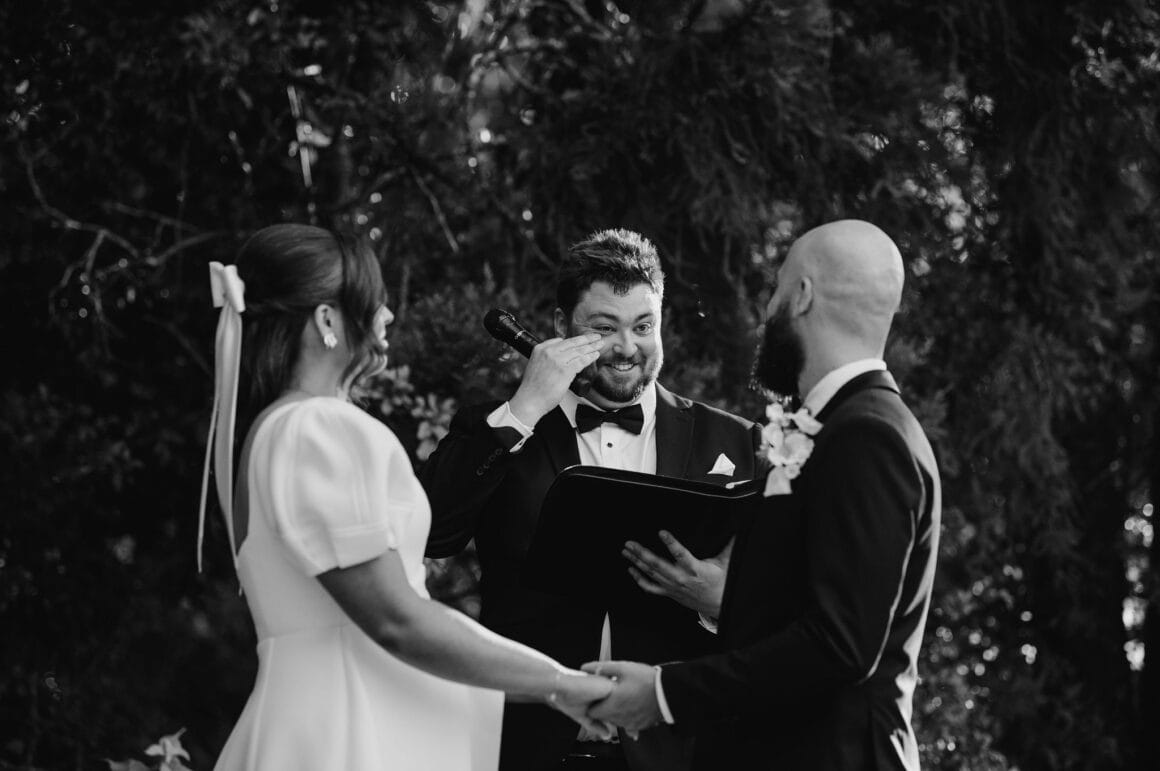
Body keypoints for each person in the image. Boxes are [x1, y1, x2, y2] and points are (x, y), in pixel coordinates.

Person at [197, 224, 614, 771]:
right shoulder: (319, 428)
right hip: (348, 731)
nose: (388, 316)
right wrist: (560, 683)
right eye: (374, 302)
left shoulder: (274, 430)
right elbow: (400, 620)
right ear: (327, 321)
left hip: (311, 719)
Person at [585, 219, 942, 771]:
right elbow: (795, 614)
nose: (768, 307)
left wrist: (663, 693)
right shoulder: (842, 426)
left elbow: (841, 643)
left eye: (777, 288)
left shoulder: (867, 436)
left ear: (802, 295)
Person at [419, 229, 762, 771]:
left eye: (643, 326)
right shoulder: (501, 427)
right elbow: (431, 533)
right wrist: (524, 409)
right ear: (561, 327)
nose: (627, 347)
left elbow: (792, 605)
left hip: (682, 753)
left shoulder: (737, 441)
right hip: (526, 750)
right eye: (604, 328)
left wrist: (725, 602)